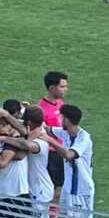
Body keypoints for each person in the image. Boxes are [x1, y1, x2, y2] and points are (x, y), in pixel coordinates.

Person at [38, 71, 68, 207]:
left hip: (62, 151)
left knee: (60, 188)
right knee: (53, 189)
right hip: (51, 153)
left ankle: (54, 217)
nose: (65, 89)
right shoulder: (41, 109)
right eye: (62, 86)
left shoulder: (60, 103)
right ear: (51, 88)